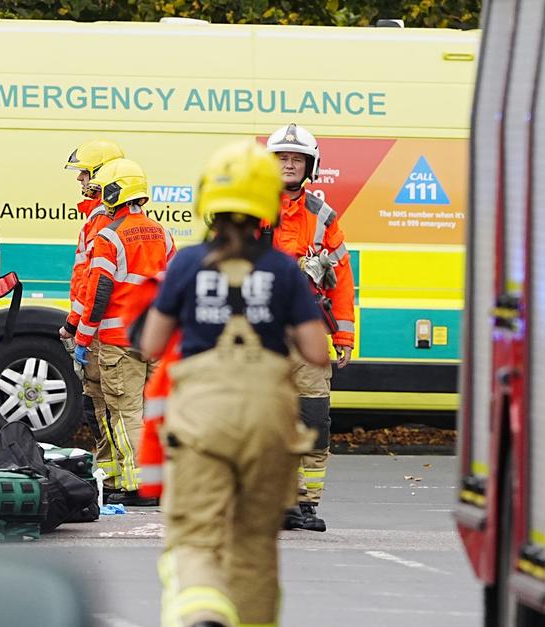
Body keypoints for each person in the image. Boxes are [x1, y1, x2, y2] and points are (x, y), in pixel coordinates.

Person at [139, 141, 328, 627]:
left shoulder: (187, 263)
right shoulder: (283, 269)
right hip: (269, 420)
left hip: (202, 416)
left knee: (197, 537)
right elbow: (315, 351)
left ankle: (202, 611)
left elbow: (153, 344)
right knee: (255, 546)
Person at [264, 122, 356, 532]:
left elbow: (342, 280)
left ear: (309, 166)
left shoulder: (323, 217)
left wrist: (345, 336)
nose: (288, 164)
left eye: (296, 158)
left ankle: (305, 505)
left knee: (313, 419)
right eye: (281, 158)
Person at [73, 158, 173, 505]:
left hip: (119, 339)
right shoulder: (163, 233)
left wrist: (83, 339)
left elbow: (99, 292)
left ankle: (140, 485)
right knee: (152, 413)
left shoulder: (109, 235)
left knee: (126, 412)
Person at [60, 139, 125, 485]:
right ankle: (112, 476)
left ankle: (118, 477)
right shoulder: (99, 217)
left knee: (103, 405)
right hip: (97, 326)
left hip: (100, 330)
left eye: (84, 174)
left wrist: (76, 324)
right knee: (102, 405)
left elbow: (94, 280)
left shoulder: (102, 220)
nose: (80, 180)